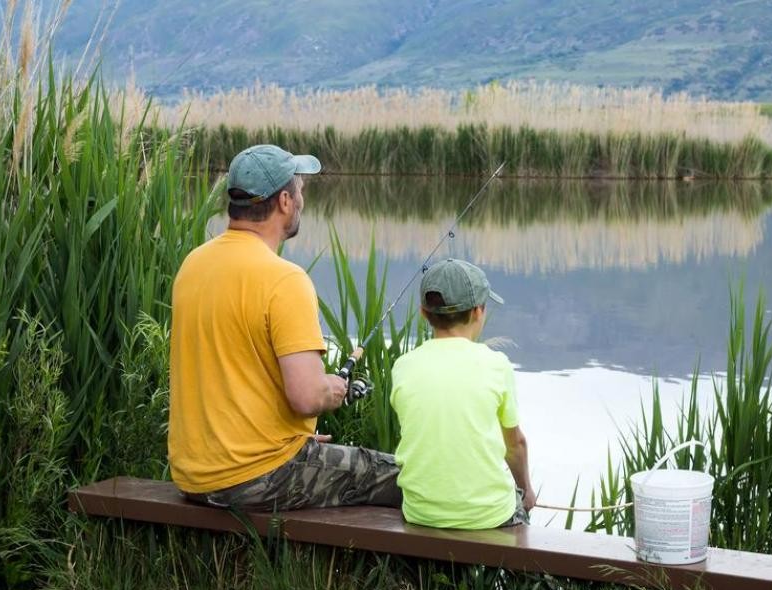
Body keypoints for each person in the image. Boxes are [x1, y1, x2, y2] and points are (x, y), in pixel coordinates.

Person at [168, 144, 401, 511]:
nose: (303, 200)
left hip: (194, 476)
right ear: (284, 202)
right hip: (254, 480)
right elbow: (306, 397)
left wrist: (294, 443)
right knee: (403, 476)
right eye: (301, 191)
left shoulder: (193, 264)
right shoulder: (283, 280)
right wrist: (333, 389)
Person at [390, 259, 536, 529]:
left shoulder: (403, 366)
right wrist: (526, 489)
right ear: (479, 311)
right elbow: (514, 446)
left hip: (421, 513)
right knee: (519, 510)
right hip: (490, 516)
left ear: (424, 312)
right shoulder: (497, 365)